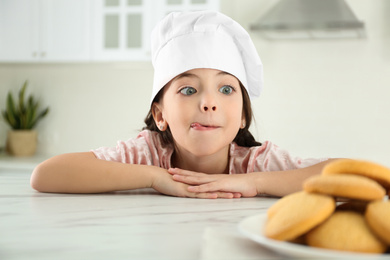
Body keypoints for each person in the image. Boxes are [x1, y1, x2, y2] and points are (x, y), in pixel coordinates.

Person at [31, 11, 335, 199]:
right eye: (188, 89)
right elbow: (45, 175)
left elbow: (351, 174)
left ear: (243, 114)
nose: (208, 103)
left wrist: (253, 182)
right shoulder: (148, 154)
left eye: (226, 88)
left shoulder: (254, 163)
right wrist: (154, 177)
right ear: (160, 114)